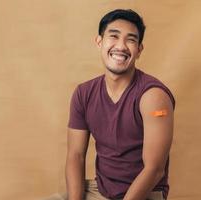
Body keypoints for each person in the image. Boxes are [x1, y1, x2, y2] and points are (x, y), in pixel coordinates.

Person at [44, 9, 175, 200]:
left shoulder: (153, 97)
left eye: (131, 40)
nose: (121, 46)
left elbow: (154, 169)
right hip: (101, 190)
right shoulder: (84, 93)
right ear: (99, 42)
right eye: (113, 36)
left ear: (139, 50)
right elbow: (76, 155)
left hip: (145, 194)